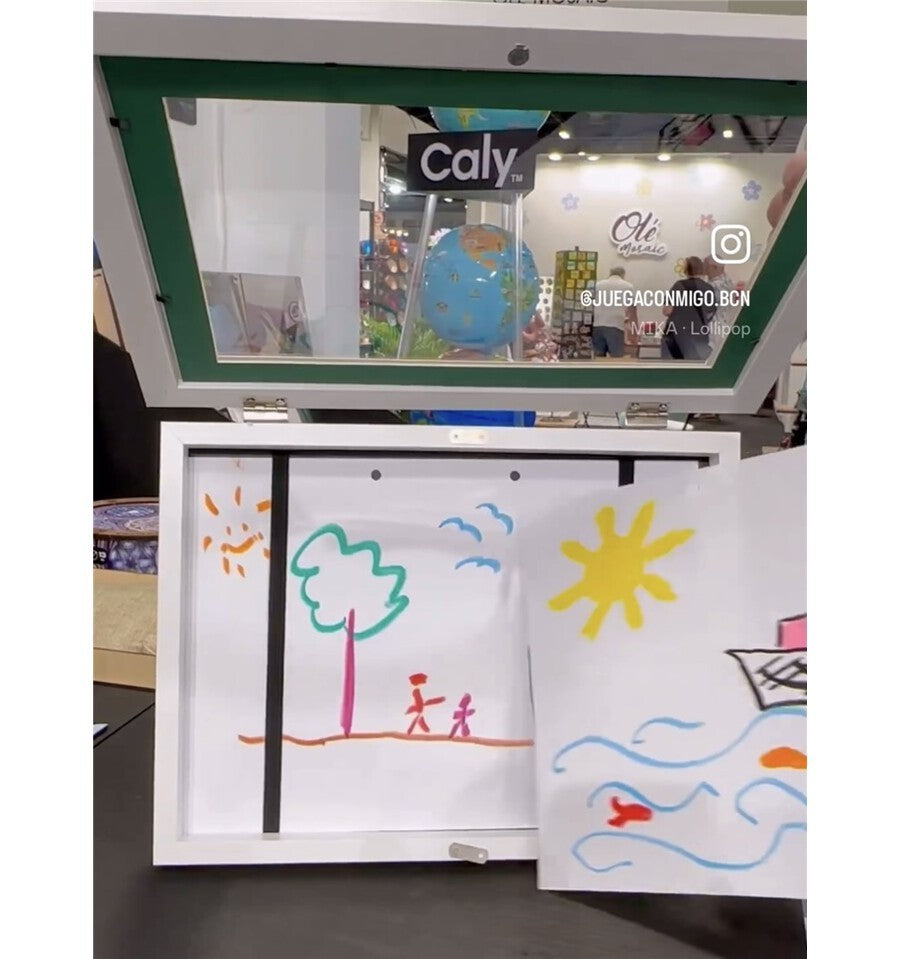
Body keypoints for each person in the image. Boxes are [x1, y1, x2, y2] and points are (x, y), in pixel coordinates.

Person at [662, 256, 717, 360]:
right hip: (699, 335)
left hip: (676, 334)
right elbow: (710, 313)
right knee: (695, 367)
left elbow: (667, 311)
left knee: (672, 367)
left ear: (686, 270)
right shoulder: (708, 288)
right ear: (701, 269)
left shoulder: (679, 286)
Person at [591, 267, 638, 358]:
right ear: (623, 275)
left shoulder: (598, 285)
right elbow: (633, 312)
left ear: (610, 274)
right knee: (616, 359)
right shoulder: (628, 287)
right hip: (615, 326)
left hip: (597, 326)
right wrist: (634, 334)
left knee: (598, 359)